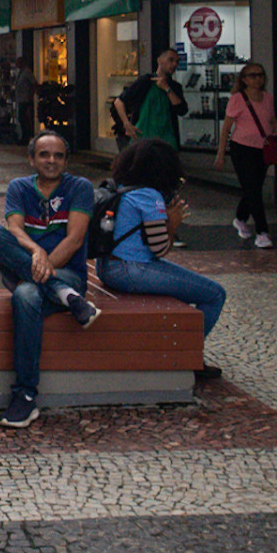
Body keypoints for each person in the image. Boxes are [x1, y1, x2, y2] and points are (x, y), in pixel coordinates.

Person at [0, 131, 103, 428]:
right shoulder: (19, 187)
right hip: (38, 272)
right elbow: (15, 229)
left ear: (66, 160)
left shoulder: (80, 187)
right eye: (44, 155)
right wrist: (36, 250)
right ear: (31, 158)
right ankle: (66, 298)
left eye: (58, 155)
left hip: (68, 274)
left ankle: (24, 395)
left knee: (25, 295)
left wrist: (43, 268)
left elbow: (74, 240)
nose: (51, 161)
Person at [95, 137, 225, 380]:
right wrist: (172, 224)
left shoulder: (121, 187)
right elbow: (160, 249)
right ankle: (189, 356)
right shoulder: (149, 196)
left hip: (107, 267)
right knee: (215, 294)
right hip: (131, 270)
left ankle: (185, 350)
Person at [214, 62, 277, 248]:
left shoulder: (268, 98)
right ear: (244, 79)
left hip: (262, 148)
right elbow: (226, 128)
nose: (257, 79)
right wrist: (221, 153)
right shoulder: (237, 99)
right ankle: (262, 232)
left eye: (260, 75)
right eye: (252, 75)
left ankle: (241, 218)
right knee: (252, 188)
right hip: (241, 149)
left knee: (253, 188)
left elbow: (272, 119)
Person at [115, 49, 187, 149]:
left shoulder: (174, 87)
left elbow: (182, 110)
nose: (174, 64)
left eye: (177, 62)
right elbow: (119, 101)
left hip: (167, 140)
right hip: (142, 138)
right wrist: (126, 123)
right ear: (160, 61)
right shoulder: (145, 82)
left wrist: (167, 89)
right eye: (170, 60)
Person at [14, 61, 37, 143]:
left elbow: (34, 83)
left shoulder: (27, 72)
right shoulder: (21, 72)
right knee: (21, 118)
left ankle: (26, 136)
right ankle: (24, 136)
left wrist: (31, 95)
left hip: (25, 99)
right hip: (21, 99)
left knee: (23, 118)